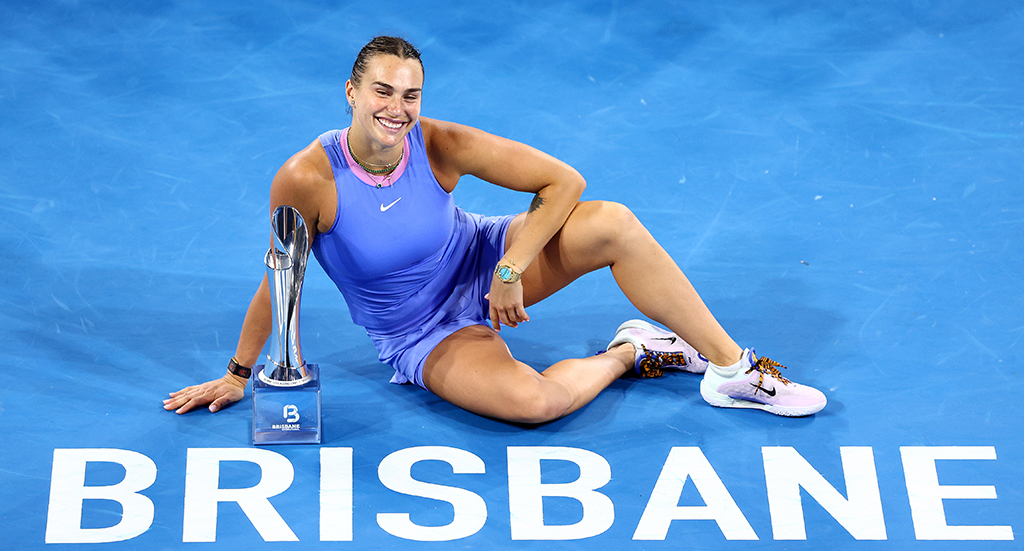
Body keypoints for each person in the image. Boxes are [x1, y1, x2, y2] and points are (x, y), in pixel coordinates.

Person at [164, 36, 826, 423]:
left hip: (481, 262)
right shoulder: (306, 178)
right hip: (419, 332)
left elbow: (563, 181)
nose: (397, 109)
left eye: (410, 95)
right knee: (532, 404)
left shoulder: (438, 142)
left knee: (615, 225)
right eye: (383, 92)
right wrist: (239, 374)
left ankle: (730, 369)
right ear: (351, 92)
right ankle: (633, 352)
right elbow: (282, 279)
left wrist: (510, 268)